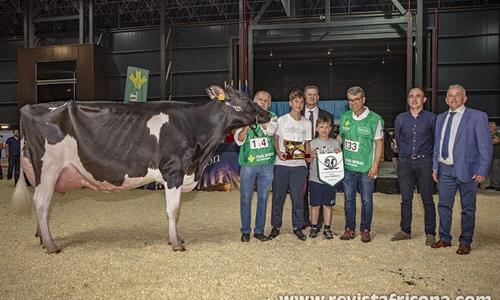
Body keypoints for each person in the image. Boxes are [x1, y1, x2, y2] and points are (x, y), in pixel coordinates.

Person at [431, 84, 492, 255]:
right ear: (446, 99)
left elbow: (485, 146)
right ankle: (445, 238)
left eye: (458, 95)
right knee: (443, 206)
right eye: (450, 95)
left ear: (464, 99)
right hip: (445, 170)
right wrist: (435, 166)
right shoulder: (440, 118)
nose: (454, 98)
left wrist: (482, 170)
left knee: (468, 208)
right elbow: (437, 144)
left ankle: (465, 241)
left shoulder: (477, 117)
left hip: (468, 170)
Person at [336, 86, 384, 243]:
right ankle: (349, 228)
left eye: (356, 99)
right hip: (348, 166)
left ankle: (365, 230)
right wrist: (332, 148)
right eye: (350, 100)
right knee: (349, 199)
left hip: (366, 167)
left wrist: (375, 165)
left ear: (364, 99)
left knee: (366, 200)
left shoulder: (374, 119)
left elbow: (379, 143)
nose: (353, 103)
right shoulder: (345, 116)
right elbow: (341, 137)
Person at [391, 87, 437, 246]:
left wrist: (435, 164)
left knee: (427, 199)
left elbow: (436, 142)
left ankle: (430, 233)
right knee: (406, 198)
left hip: (425, 162)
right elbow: (396, 139)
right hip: (405, 162)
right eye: (411, 96)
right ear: (408, 100)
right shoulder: (400, 119)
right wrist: (399, 155)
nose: (414, 99)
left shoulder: (432, 119)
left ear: (424, 100)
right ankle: (405, 230)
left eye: (418, 96)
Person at [268, 89, 312, 241]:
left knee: (298, 198)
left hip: (299, 167)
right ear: (290, 103)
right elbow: (275, 139)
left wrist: (308, 156)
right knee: (278, 198)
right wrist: (278, 152)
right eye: (296, 101)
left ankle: (298, 227)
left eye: (301, 102)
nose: (299, 104)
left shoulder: (307, 123)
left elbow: (307, 144)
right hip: (281, 164)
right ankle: (275, 226)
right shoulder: (282, 120)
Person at [234, 90, 278, 242]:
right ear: (254, 101)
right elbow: (238, 140)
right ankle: (245, 230)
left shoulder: (273, 116)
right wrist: (246, 127)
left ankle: (259, 230)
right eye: (260, 99)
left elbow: (271, 132)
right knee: (246, 198)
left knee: (263, 198)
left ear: (269, 104)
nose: (262, 102)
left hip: (267, 164)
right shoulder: (244, 116)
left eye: (266, 101)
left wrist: (261, 119)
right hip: (248, 164)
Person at [301, 85, 336, 230]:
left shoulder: (328, 116)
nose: (312, 97)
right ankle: (304, 220)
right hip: (302, 159)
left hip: (322, 161)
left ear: (318, 97)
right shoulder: (297, 114)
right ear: (305, 97)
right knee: (302, 191)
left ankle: (320, 222)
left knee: (322, 189)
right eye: (309, 94)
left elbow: (332, 140)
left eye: (315, 94)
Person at [305, 115, 341, 239]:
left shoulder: (335, 143)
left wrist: (338, 154)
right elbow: (307, 160)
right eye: (321, 127)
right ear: (316, 128)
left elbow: (339, 162)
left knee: (327, 205)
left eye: (327, 127)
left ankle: (327, 228)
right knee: (315, 205)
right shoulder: (312, 143)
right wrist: (311, 156)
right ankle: (314, 227)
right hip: (315, 179)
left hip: (330, 180)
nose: (324, 129)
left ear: (331, 128)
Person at [485, 121, 500, 191]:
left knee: (496, 170)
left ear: (495, 127)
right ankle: (492, 184)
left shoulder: (498, 134)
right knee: (490, 170)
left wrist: (488, 142)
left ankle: (498, 184)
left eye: (491, 126)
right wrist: (492, 141)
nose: (489, 128)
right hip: (488, 156)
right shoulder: (487, 135)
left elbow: (497, 141)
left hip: (496, 155)